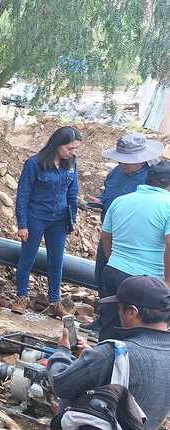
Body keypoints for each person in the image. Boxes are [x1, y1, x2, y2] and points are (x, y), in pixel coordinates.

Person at [47, 276, 170, 430]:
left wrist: (62, 351)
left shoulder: (112, 353)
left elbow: (60, 384)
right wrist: (90, 356)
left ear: (132, 312)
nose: (118, 313)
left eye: (119, 308)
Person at [86, 133, 164, 332]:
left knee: (133, 289)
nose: (123, 164)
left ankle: (127, 326)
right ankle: (104, 318)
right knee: (103, 276)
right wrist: (99, 201)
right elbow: (108, 194)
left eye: (127, 161)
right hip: (112, 233)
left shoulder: (150, 178)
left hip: (138, 240)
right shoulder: (115, 173)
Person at [13, 126, 83, 317]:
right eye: (70, 148)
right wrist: (23, 224)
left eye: (75, 149)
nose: (72, 152)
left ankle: (54, 301)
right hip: (36, 216)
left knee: (56, 260)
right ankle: (21, 297)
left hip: (59, 219)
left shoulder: (71, 163)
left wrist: (72, 219)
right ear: (57, 144)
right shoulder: (34, 164)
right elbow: (23, 195)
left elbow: (73, 192)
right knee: (27, 258)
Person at [98, 161, 170, 340]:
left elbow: (106, 236)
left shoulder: (121, 200)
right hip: (148, 282)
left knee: (109, 328)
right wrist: (167, 281)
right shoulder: (168, 205)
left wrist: (113, 259)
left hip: (114, 270)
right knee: (142, 336)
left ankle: (105, 365)